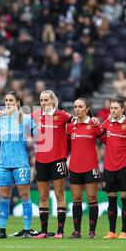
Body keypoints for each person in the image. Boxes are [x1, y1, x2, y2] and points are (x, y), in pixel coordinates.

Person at [0, 91, 35, 239]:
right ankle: (2, 230)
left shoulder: (27, 119)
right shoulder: (0, 119)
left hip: (21, 162)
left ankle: (27, 230)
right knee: (4, 197)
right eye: (6, 100)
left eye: (11, 100)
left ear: (18, 102)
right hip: (4, 163)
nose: (8, 103)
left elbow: (41, 134)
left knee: (24, 196)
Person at [32, 90, 71, 239]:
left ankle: (60, 231)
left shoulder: (63, 116)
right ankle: (43, 231)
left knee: (59, 195)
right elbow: (20, 120)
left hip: (57, 160)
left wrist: (92, 120)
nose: (43, 103)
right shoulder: (36, 115)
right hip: (41, 160)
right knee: (42, 196)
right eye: (41, 100)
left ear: (53, 101)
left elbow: (78, 121)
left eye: (46, 100)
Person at [67, 98, 104, 239]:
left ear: (87, 109)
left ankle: (92, 231)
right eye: (75, 106)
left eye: (80, 106)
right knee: (76, 198)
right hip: (75, 167)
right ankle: (77, 231)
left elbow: (106, 137)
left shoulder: (94, 124)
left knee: (92, 198)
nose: (77, 109)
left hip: (91, 166)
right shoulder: (70, 126)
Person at [100, 97, 126, 239]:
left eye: (115, 108)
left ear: (123, 109)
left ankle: (124, 231)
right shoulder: (107, 123)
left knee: (125, 197)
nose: (113, 110)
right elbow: (99, 134)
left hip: (124, 166)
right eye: (111, 108)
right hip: (109, 166)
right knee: (111, 199)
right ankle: (112, 231)